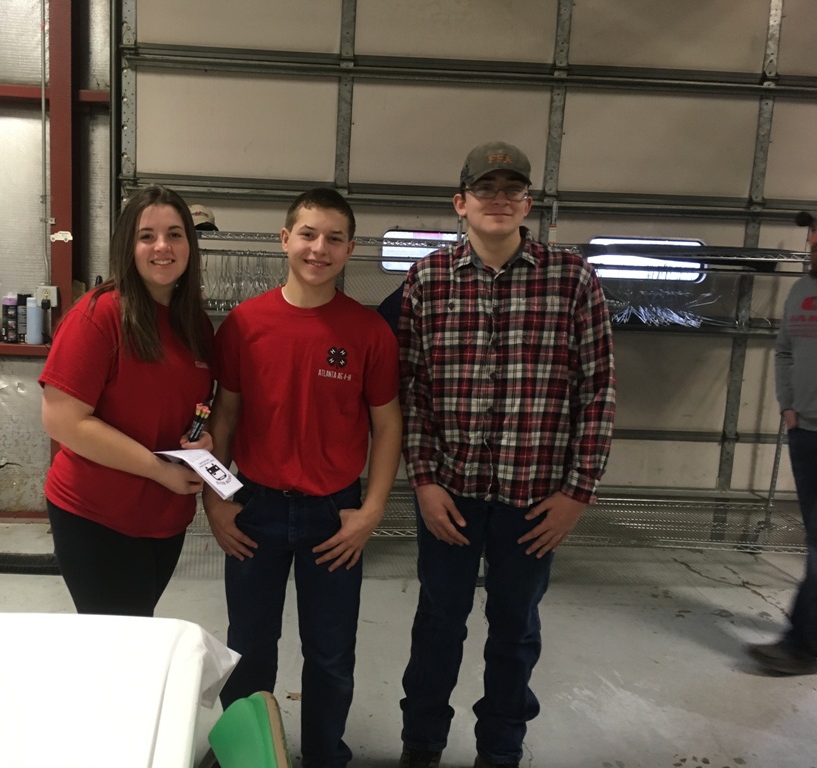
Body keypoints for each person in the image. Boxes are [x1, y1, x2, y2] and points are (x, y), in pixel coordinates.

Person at [396, 141, 617, 768]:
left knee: (515, 628)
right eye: (485, 189)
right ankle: (422, 744)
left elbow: (597, 389)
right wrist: (425, 481)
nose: (499, 199)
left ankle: (501, 749)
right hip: (451, 497)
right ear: (460, 202)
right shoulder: (427, 280)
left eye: (511, 189)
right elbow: (411, 390)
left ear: (528, 203)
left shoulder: (571, 279)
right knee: (439, 622)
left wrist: (577, 492)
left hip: (535, 499)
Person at [203, 187, 403, 768]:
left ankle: (322, 757)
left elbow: (387, 425)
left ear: (350, 250)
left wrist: (371, 511)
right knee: (248, 651)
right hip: (255, 510)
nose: (320, 248)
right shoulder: (244, 325)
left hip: (333, 517)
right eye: (309, 235)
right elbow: (225, 417)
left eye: (334, 238)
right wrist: (217, 500)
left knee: (331, 655)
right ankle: (249, 756)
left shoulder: (368, 332)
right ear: (285, 239)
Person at [39, 185, 214, 617]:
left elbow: (188, 408)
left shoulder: (194, 324)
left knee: (138, 630)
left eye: (175, 234)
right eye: (146, 236)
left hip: (164, 517)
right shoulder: (98, 315)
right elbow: (63, 421)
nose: (162, 246)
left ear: (189, 246)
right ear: (127, 247)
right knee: (118, 644)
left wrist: (201, 441)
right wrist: (158, 471)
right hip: (98, 516)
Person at [746, 211, 817, 676]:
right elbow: (785, 349)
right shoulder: (802, 289)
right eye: (813, 233)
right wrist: (788, 403)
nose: (813, 241)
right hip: (805, 429)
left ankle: (804, 645)